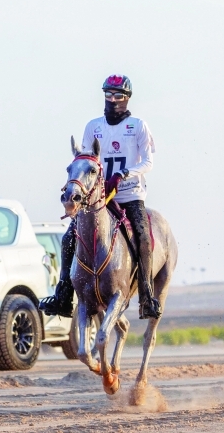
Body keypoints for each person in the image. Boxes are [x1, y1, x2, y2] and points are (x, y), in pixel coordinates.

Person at [39, 74, 161, 319]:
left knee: (143, 237)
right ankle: (63, 295)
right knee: (68, 239)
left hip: (129, 193)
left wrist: (124, 174)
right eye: (108, 95)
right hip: (98, 196)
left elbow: (148, 161)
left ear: (127, 99)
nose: (112, 100)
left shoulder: (138, 126)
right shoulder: (93, 126)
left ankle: (146, 295)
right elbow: (85, 159)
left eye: (118, 96)